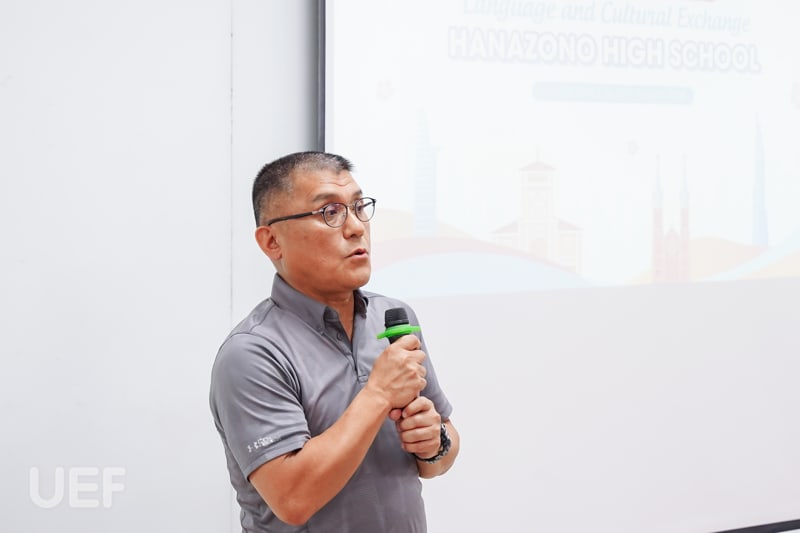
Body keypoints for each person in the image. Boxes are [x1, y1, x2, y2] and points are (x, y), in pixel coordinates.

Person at [209, 151, 460, 532]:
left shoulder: (393, 317)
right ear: (272, 241)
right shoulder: (253, 353)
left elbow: (441, 455)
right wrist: (378, 394)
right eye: (330, 212)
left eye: (358, 207)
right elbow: (292, 499)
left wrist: (433, 442)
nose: (356, 227)